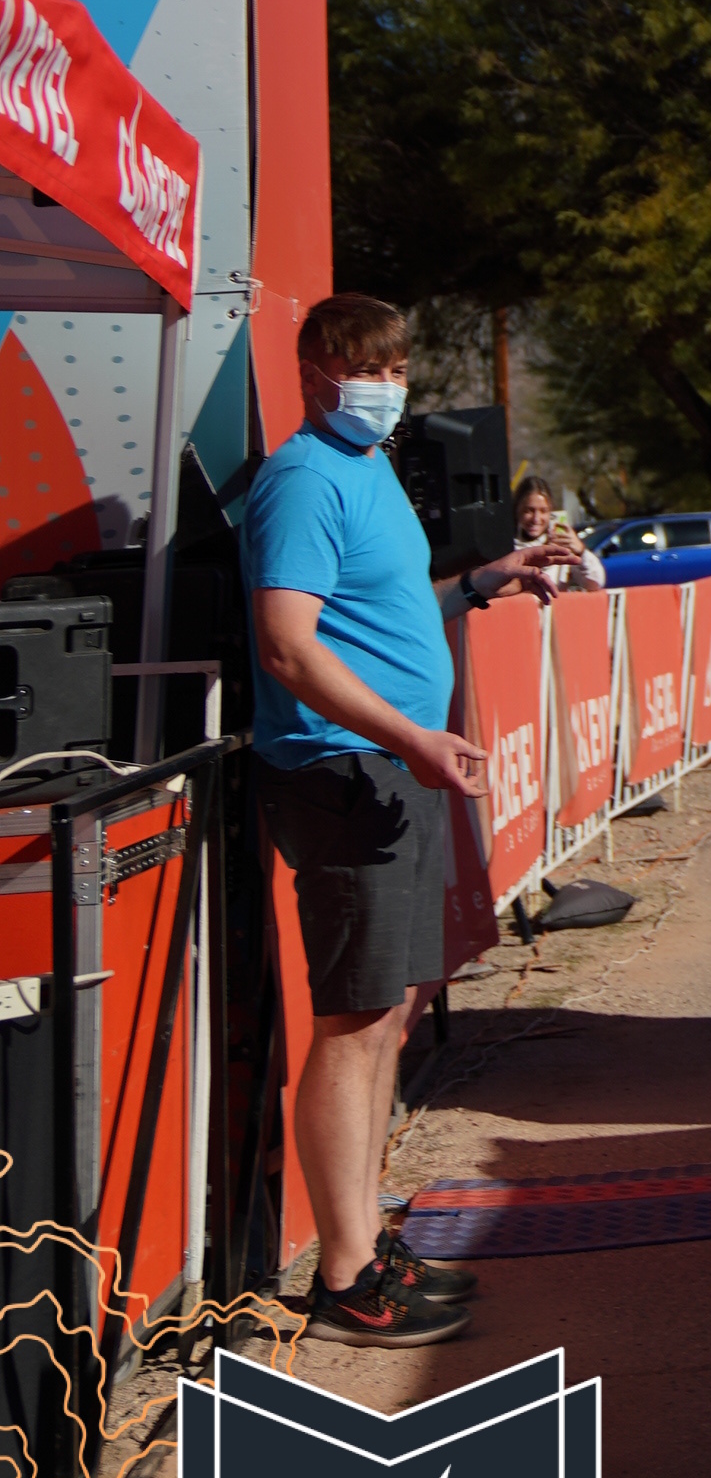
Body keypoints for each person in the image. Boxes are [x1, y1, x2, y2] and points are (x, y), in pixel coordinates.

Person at [241, 295, 594, 1344]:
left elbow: (378, 607)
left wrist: (486, 580)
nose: (384, 384)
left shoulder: (368, 469)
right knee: (354, 1024)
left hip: (390, 770)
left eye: (395, 366)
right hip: (345, 773)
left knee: (386, 1016)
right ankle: (345, 1274)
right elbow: (287, 644)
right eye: (364, 366)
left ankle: (364, 1244)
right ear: (313, 372)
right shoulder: (303, 479)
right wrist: (409, 737)